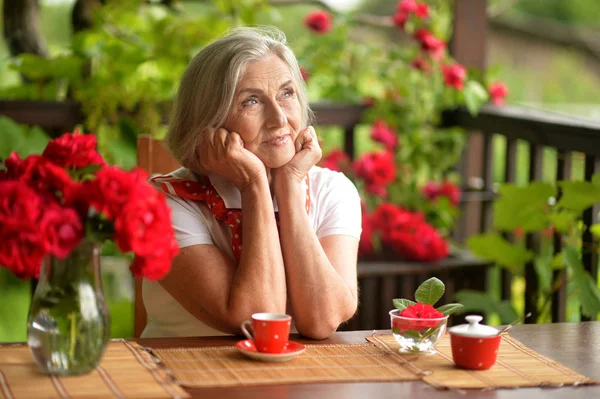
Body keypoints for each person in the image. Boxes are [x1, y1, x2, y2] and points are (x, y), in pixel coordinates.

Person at [142, 26, 362, 339]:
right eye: (251, 101)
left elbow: (322, 320)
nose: (279, 119)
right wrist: (254, 185)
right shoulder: (164, 203)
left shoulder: (332, 191)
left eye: (287, 94)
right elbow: (258, 320)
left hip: (297, 385)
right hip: (181, 381)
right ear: (209, 122)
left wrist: (288, 185)